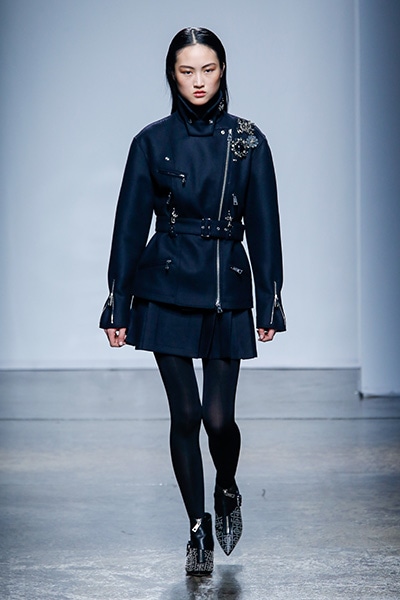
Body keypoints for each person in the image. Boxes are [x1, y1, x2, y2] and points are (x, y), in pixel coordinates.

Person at [100, 27, 286, 576]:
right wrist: (117, 303)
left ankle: (226, 486)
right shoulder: (150, 141)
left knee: (218, 419)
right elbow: (129, 227)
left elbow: (266, 227)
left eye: (208, 69)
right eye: (187, 71)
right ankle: (196, 528)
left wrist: (270, 302)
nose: (198, 81)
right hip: (165, 285)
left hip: (226, 286)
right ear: (172, 75)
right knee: (185, 413)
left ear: (223, 71)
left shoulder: (248, 140)